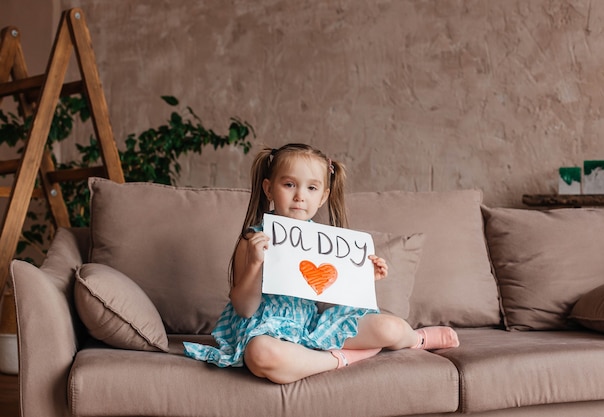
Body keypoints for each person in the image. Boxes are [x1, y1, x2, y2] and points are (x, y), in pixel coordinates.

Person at [184, 143, 459, 384]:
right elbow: (244, 309)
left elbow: (331, 291)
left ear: (323, 196)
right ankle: (340, 359)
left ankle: (418, 339)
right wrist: (256, 264)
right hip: (264, 328)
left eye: (311, 187)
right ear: (269, 188)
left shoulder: (324, 240)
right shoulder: (253, 239)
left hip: (311, 325)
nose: (300, 195)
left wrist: (362, 277)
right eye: (289, 184)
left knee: (391, 327)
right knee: (261, 355)